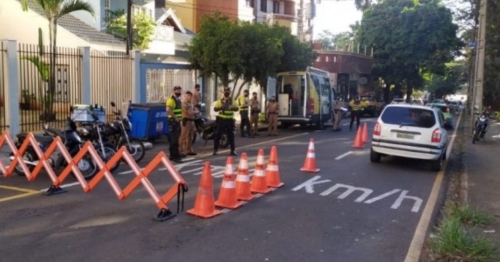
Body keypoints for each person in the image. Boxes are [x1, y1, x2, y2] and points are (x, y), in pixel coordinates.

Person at [213, 87, 239, 156]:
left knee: (231, 136)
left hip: (229, 121)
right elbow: (215, 109)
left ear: (230, 92)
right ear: (224, 92)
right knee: (218, 135)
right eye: (225, 91)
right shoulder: (220, 101)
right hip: (221, 120)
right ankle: (215, 150)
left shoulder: (233, 101)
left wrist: (232, 108)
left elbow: (237, 108)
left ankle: (233, 151)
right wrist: (220, 107)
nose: (226, 92)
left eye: (228, 91)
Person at [166, 86, 183, 163]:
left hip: (177, 122)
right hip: (173, 121)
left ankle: (172, 155)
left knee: (175, 139)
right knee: (174, 140)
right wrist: (176, 118)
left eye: (179, 90)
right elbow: (168, 110)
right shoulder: (171, 100)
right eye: (177, 90)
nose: (179, 92)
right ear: (174, 91)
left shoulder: (178, 100)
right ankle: (176, 156)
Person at [179, 91, 197, 156]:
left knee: (190, 136)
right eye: (188, 95)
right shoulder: (184, 104)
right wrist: (195, 111)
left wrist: (194, 111)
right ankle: (180, 151)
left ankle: (188, 150)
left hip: (191, 121)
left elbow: (196, 111)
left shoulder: (191, 104)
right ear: (185, 96)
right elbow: (189, 112)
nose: (189, 97)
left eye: (190, 96)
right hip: (186, 121)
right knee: (183, 136)